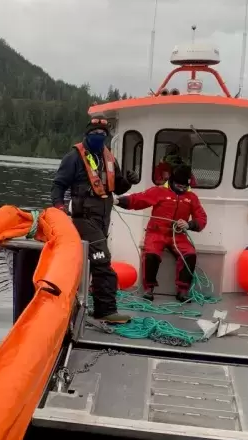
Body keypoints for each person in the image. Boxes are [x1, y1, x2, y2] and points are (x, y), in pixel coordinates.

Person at [51, 119, 137, 323]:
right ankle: (106, 310)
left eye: (103, 133)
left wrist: (128, 181)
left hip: (103, 219)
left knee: (94, 263)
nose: (99, 136)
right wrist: (59, 208)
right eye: (95, 132)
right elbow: (58, 186)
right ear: (87, 135)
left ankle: (83, 304)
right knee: (102, 261)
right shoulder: (74, 157)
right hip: (84, 219)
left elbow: (117, 188)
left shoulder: (108, 158)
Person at [117, 165, 207, 302]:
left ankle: (183, 291)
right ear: (172, 181)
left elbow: (201, 218)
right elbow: (138, 199)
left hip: (178, 235)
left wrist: (189, 225)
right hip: (156, 232)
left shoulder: (192, 197)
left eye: (185, 187)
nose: (182, 189)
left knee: (190, 254)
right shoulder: (158, 191)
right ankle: (149, 289)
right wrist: (118, 201)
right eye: (179, 185)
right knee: (151, 254)